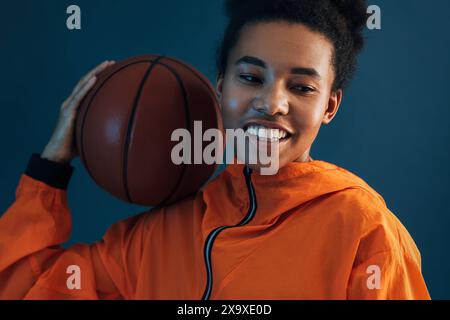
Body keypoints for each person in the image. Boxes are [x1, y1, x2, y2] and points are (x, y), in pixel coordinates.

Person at [0, 0, 430, 299]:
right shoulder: (155, 237)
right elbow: (21, 288)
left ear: (329, 106)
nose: (272, 103)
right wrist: (51, 168)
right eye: (250, 77)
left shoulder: (363, 232)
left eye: (301, 87)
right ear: (221, 87)